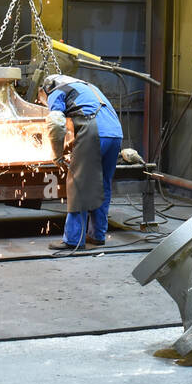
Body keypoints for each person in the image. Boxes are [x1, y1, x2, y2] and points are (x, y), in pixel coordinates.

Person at [37, 74, 125, 251]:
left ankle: (73, 239)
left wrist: (57, 155)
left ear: (45, 90)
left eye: (42, 100)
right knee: (102, 185)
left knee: (78, 186)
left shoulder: (55, 91)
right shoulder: (87, 87)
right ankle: (97, 235)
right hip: (115, 133)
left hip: (94, 132)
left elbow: (55, 123)